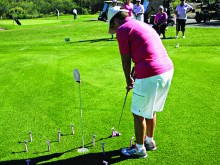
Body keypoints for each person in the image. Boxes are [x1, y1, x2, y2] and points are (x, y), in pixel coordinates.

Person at [108, 8, 174, 158]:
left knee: (138, 113)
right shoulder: (141, 24)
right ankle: (149, 141)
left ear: (116, 21)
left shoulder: (123, 29)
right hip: (167, 70)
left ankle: (139, 149)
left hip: (150, 73)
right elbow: (146, 51)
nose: (114, 30)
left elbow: (125, 61)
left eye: (113, 26)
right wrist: (136, 70)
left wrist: (128, 80)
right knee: (151, 109)